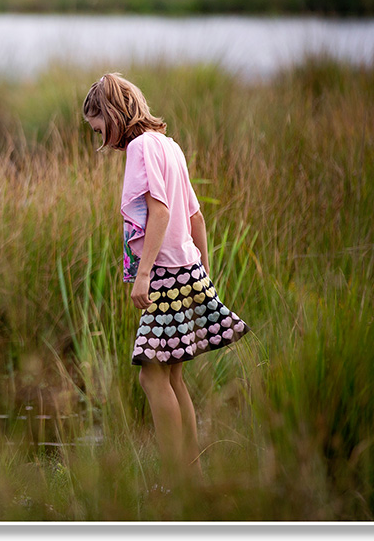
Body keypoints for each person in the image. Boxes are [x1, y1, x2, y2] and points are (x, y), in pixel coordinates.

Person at [82, 72, 250, 484]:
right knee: (172, 373)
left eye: (98, 124)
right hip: (188, 269)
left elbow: (161, 213)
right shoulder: (169, 146)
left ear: (114, 112)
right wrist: (203, 272)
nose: (98, 135)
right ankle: (191, 474)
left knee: (150, 374)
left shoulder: (140, 147)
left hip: (165, 275)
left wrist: (143, 277)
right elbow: (196, 216)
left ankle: (174, 479)